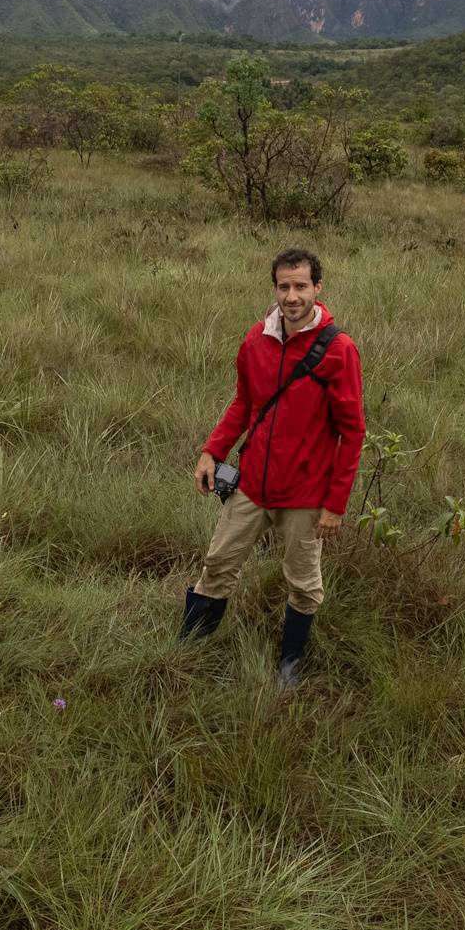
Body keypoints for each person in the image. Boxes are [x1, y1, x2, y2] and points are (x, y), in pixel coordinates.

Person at [180, 247, 366, 687]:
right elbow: (244, 403)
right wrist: (212, 451)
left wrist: (335, 505)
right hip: (252, 486)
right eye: (284, 287)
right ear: (275, 289)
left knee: (303, 583)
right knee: (217, 564)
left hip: (305, 494)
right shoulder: (256, 339)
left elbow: (353, 432)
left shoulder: (339, 350)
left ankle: (290, 667)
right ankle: (187, 653)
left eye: (301, 286)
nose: (292, 296)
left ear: (317, 288)